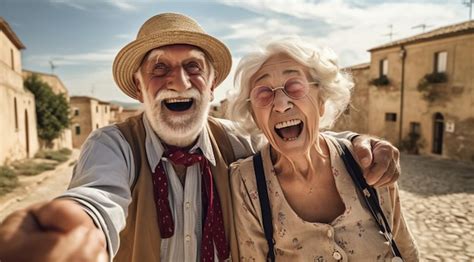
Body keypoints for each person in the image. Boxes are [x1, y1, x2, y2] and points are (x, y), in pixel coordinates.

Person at [0, 13, 401, 262]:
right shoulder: (112, 145)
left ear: (211, 86)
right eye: (159, 68)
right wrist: (77, 229)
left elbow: (292, 145)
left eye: (193, 67)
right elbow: (98, 197)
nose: (178, 80)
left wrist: (352, 143)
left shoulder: (237, 145)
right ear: (139, 89)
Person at [228, 38, 419, 261]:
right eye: (264, 93)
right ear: (254, 115)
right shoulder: (246, 182)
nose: (281, 104)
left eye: (295, 86)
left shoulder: (369, 162)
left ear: (321, 100)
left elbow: (406, 251)